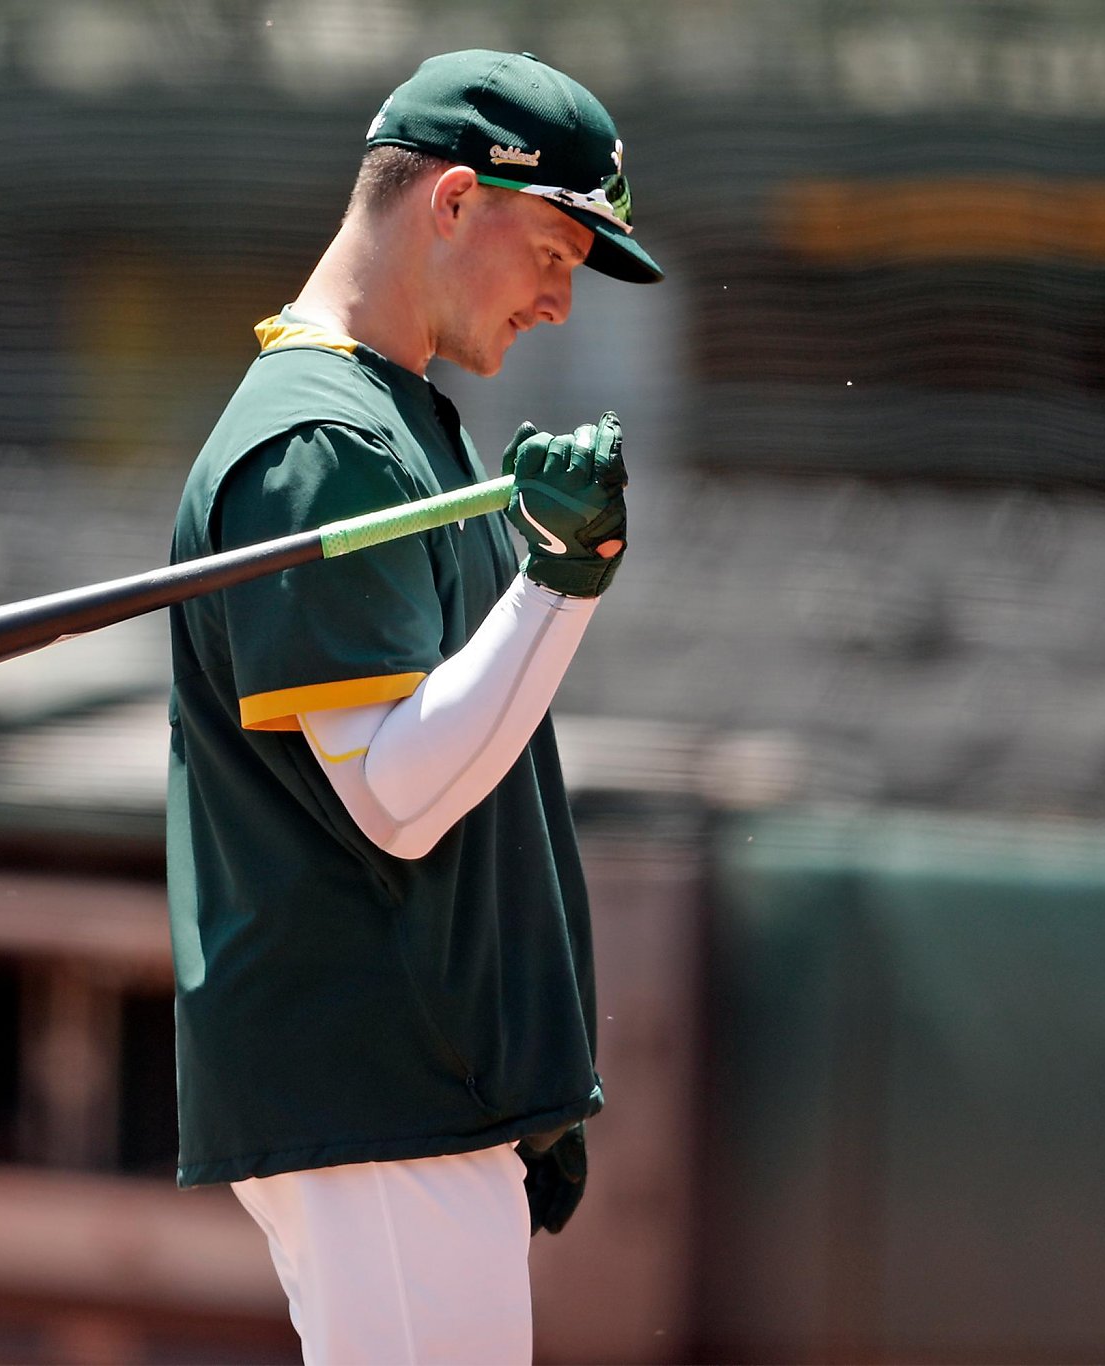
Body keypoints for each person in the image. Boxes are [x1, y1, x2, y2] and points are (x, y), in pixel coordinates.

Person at [165, 49, 662, 1364]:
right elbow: (393, 797)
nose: (565, 299)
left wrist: (531, 1075)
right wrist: (565, 584)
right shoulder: (320, 441)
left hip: (422, 1078)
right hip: (378, 1081)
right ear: (453, 202)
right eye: (559, 246)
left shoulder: (390, 419)